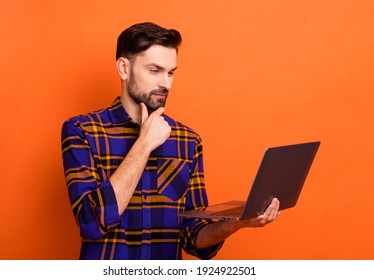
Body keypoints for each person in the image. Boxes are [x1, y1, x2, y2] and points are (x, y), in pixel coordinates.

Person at [61, 22, 280, 260]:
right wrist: (144, 144)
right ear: (124, 68)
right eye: (155, 70)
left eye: (171, 72)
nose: (166, 83)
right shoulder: (82, 131)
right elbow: (91, 224)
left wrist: (237, 222)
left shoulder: (188, 140)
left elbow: (193, 236)